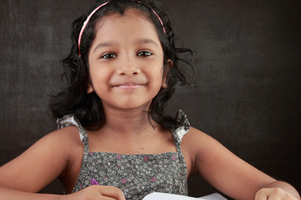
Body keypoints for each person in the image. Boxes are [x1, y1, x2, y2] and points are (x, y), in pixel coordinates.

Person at [0, 0, 299, 199]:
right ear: (87, 76)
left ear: (165, 72)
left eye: (144, 53)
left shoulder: (188, 143)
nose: (129, 67)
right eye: (108, 55)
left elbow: (277, 187)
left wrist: (278, 192)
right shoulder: (70, 143)